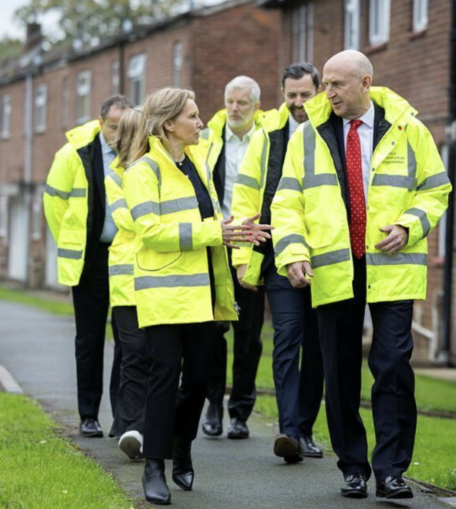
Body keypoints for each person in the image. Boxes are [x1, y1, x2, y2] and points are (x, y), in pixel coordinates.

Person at [272, 50, 451, 499]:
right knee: (340, 372)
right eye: (325, 84)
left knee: (392, 367)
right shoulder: (307, 134)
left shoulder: (409, 129)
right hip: (334, 268)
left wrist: (409, 225)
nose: (327, 92)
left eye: (337, 84)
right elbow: (287, 202)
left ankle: (391, 471)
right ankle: (352, 466)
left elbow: (436, 189)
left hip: (391, 265)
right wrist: (292, 251)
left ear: (366, 83)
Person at [123, 87, 271, 505]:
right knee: (165, 376)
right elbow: (149, 230)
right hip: (166, 296)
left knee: (203, 378)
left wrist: (234, 228)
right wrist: (213, 231)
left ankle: (181, 446)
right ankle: (154, 467)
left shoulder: (197, 164)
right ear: (169, 123)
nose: (202, 121)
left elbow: (205, 221)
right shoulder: (142, 171)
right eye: (193, 115)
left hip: (206, 293)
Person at [231, 63, 325, 462]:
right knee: (287, 339)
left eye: (305, 95)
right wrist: (241, 256)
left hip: (324, 256)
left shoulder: (332, 130)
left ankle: (304, 429)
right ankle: (288, 432)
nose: (299, 103)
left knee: (319, 347)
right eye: (292, 96)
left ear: (318, 92)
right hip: (276, 256)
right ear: (282, 95)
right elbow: (245, 196)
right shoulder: (266, 135)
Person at [44, 95, 131, 438]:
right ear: (100, 122)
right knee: (90, 339)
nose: (117, 135)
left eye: (124, 129)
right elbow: (53, 203)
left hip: (127, 258)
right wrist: (72, 242)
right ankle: (88, 415)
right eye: (112, 127)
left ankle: (123, 418)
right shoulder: (74, 153)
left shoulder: (138, 153)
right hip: (91, 259)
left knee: (129, 340)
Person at [200, 76, 268, 439]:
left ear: (256, 106)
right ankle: (212, 406)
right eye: (230, 101)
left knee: (249, 335)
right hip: (216, 245)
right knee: (213, 332)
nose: (234, 108)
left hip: (252, 245)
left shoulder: (267, 137)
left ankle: (240, 411)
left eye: (242, 102)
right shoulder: (208, 138)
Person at [104, 108, 150, 459]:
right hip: (128, 281)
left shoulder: (166, 169)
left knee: (159, 358)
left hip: (165, 279)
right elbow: (129, 219)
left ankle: (144, 425)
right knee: (133, 354)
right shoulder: (115, 175)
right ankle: (130, 426)